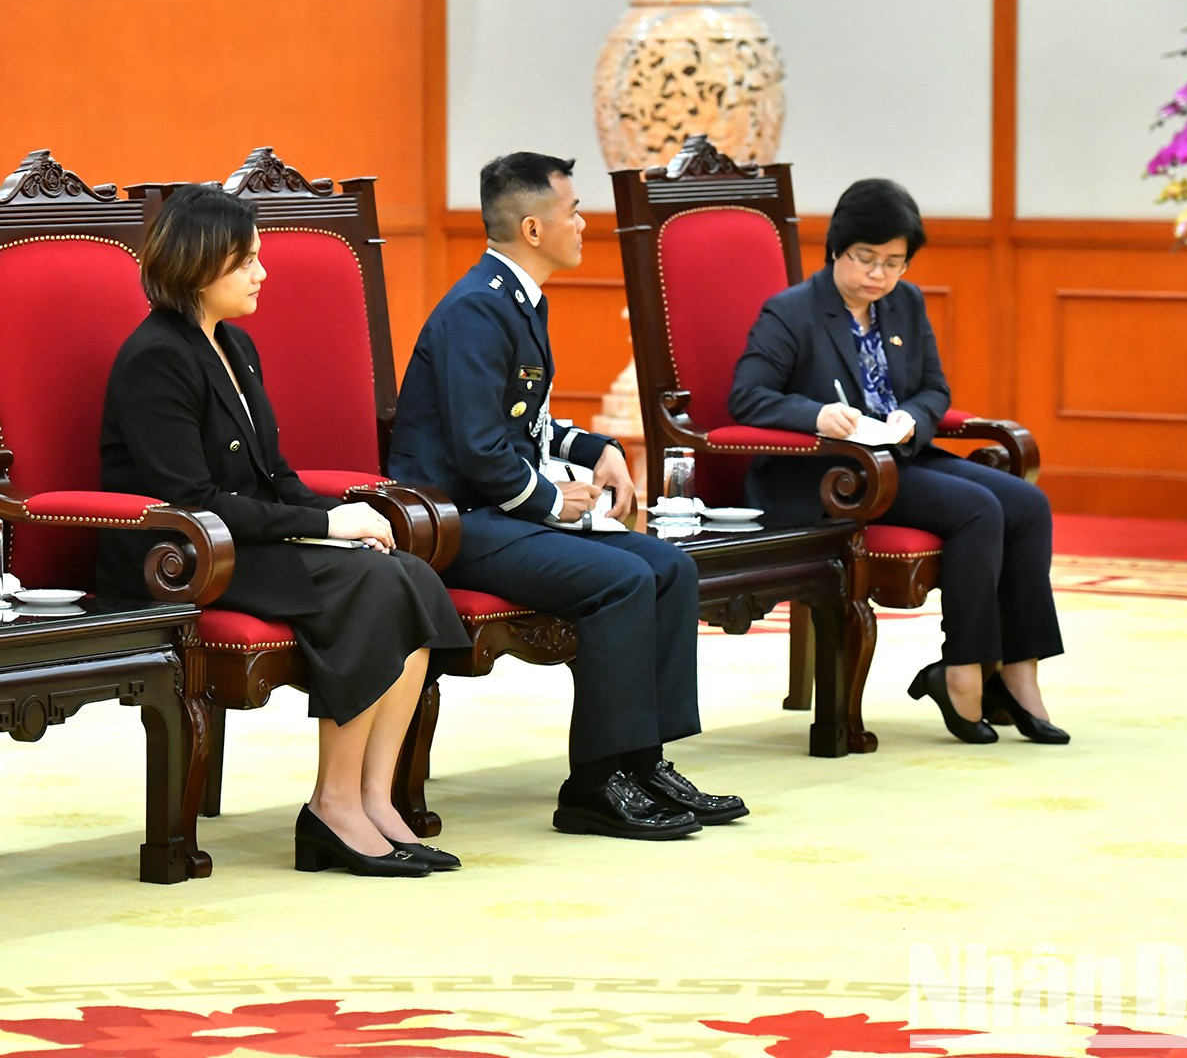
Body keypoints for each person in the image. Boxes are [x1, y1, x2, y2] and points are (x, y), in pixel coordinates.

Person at [97, 183, 469, 878]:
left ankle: (373, 799)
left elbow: (274, 475)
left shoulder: (234, 346)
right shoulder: (157, 357)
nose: (261, 274)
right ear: (198, 264)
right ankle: (333, 807)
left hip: (239, 542)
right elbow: (191, 498)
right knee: (371, 588)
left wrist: (341, 528)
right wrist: (324, 522)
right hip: (182, 553)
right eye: (246, 261)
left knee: (407, 574)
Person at [388, 152, 747, 840]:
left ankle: (644, 763)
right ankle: (594, 785)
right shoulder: (476, 311)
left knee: (669, 567)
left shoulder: (516, 300)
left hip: (500, 514)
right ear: (531, 226)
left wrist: (598, 451)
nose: (584, 222)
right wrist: (556, 504)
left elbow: (531, 422)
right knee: (618, 580)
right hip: (456, 523)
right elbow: (478, 450)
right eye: (573, 210)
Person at [728, 178, 1068, 745]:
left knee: (1028, 504)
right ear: (837, 247)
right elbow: (748, 397)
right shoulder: (791, 313)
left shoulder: (903, 304)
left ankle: (1018, 673)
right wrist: (816, 414)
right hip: (824, 474)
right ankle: (961, 671)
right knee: (978, 509)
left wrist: (912, 415)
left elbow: (935, 388)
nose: (879, 276)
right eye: (866, 259)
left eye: (894, 263)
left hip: (897, 458)